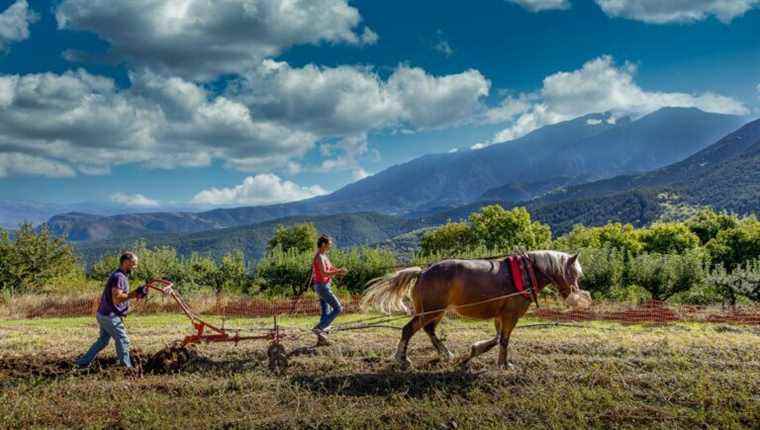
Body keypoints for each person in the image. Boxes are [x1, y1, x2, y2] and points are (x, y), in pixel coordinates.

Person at [75, 252, 155, 369]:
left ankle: (82, 363)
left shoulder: (120, 275)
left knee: (103, 341)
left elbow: (121, 296)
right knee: (123, 339)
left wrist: (135, 293)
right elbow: (117, 299)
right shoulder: (119, 277)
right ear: (126, 262)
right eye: (134, 264)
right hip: (109, 316)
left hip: (103, 314)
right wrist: (134, 294)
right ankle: (126, 368)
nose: (135, 267)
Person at [311, 235, 347, 345]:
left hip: (323, 286)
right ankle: (319, 328)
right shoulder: (319, 257)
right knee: (338, 308)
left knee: (325, 312)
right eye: (329, 244)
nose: (330, 246)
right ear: (323, 244)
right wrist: (338, 272)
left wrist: (339, 270)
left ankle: (321, 339)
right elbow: (324, 273)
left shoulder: (324, 256)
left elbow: (330, 269)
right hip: (322, 287)